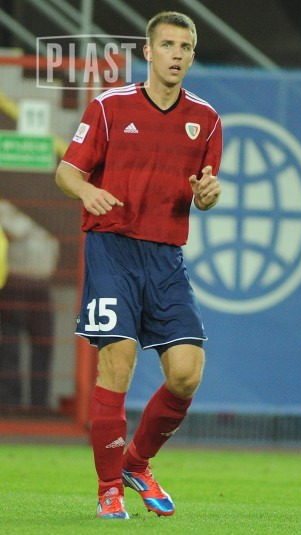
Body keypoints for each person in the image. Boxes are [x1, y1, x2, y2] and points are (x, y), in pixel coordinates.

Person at [55, 11, 222, 520]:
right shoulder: (110, 107)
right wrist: (87, 191)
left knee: (187, 374)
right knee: (118, 362)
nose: (176, 54)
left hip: (166, 257)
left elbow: (204, 190)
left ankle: (135, 463)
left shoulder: (207, 120)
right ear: (147, 52)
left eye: (185, 47)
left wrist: (207, 196)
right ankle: (109, 488)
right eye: (167, 45)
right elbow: (66, 172)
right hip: (112, 248)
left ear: (192, 56)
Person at [0, 199, 59, 409]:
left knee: (44, 344)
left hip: (43, 284)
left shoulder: (55, 209)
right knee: (10, 345)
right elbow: (16, 232)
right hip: (15, 282)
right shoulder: (7, 207)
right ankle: (10, 402)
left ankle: (39, 404)